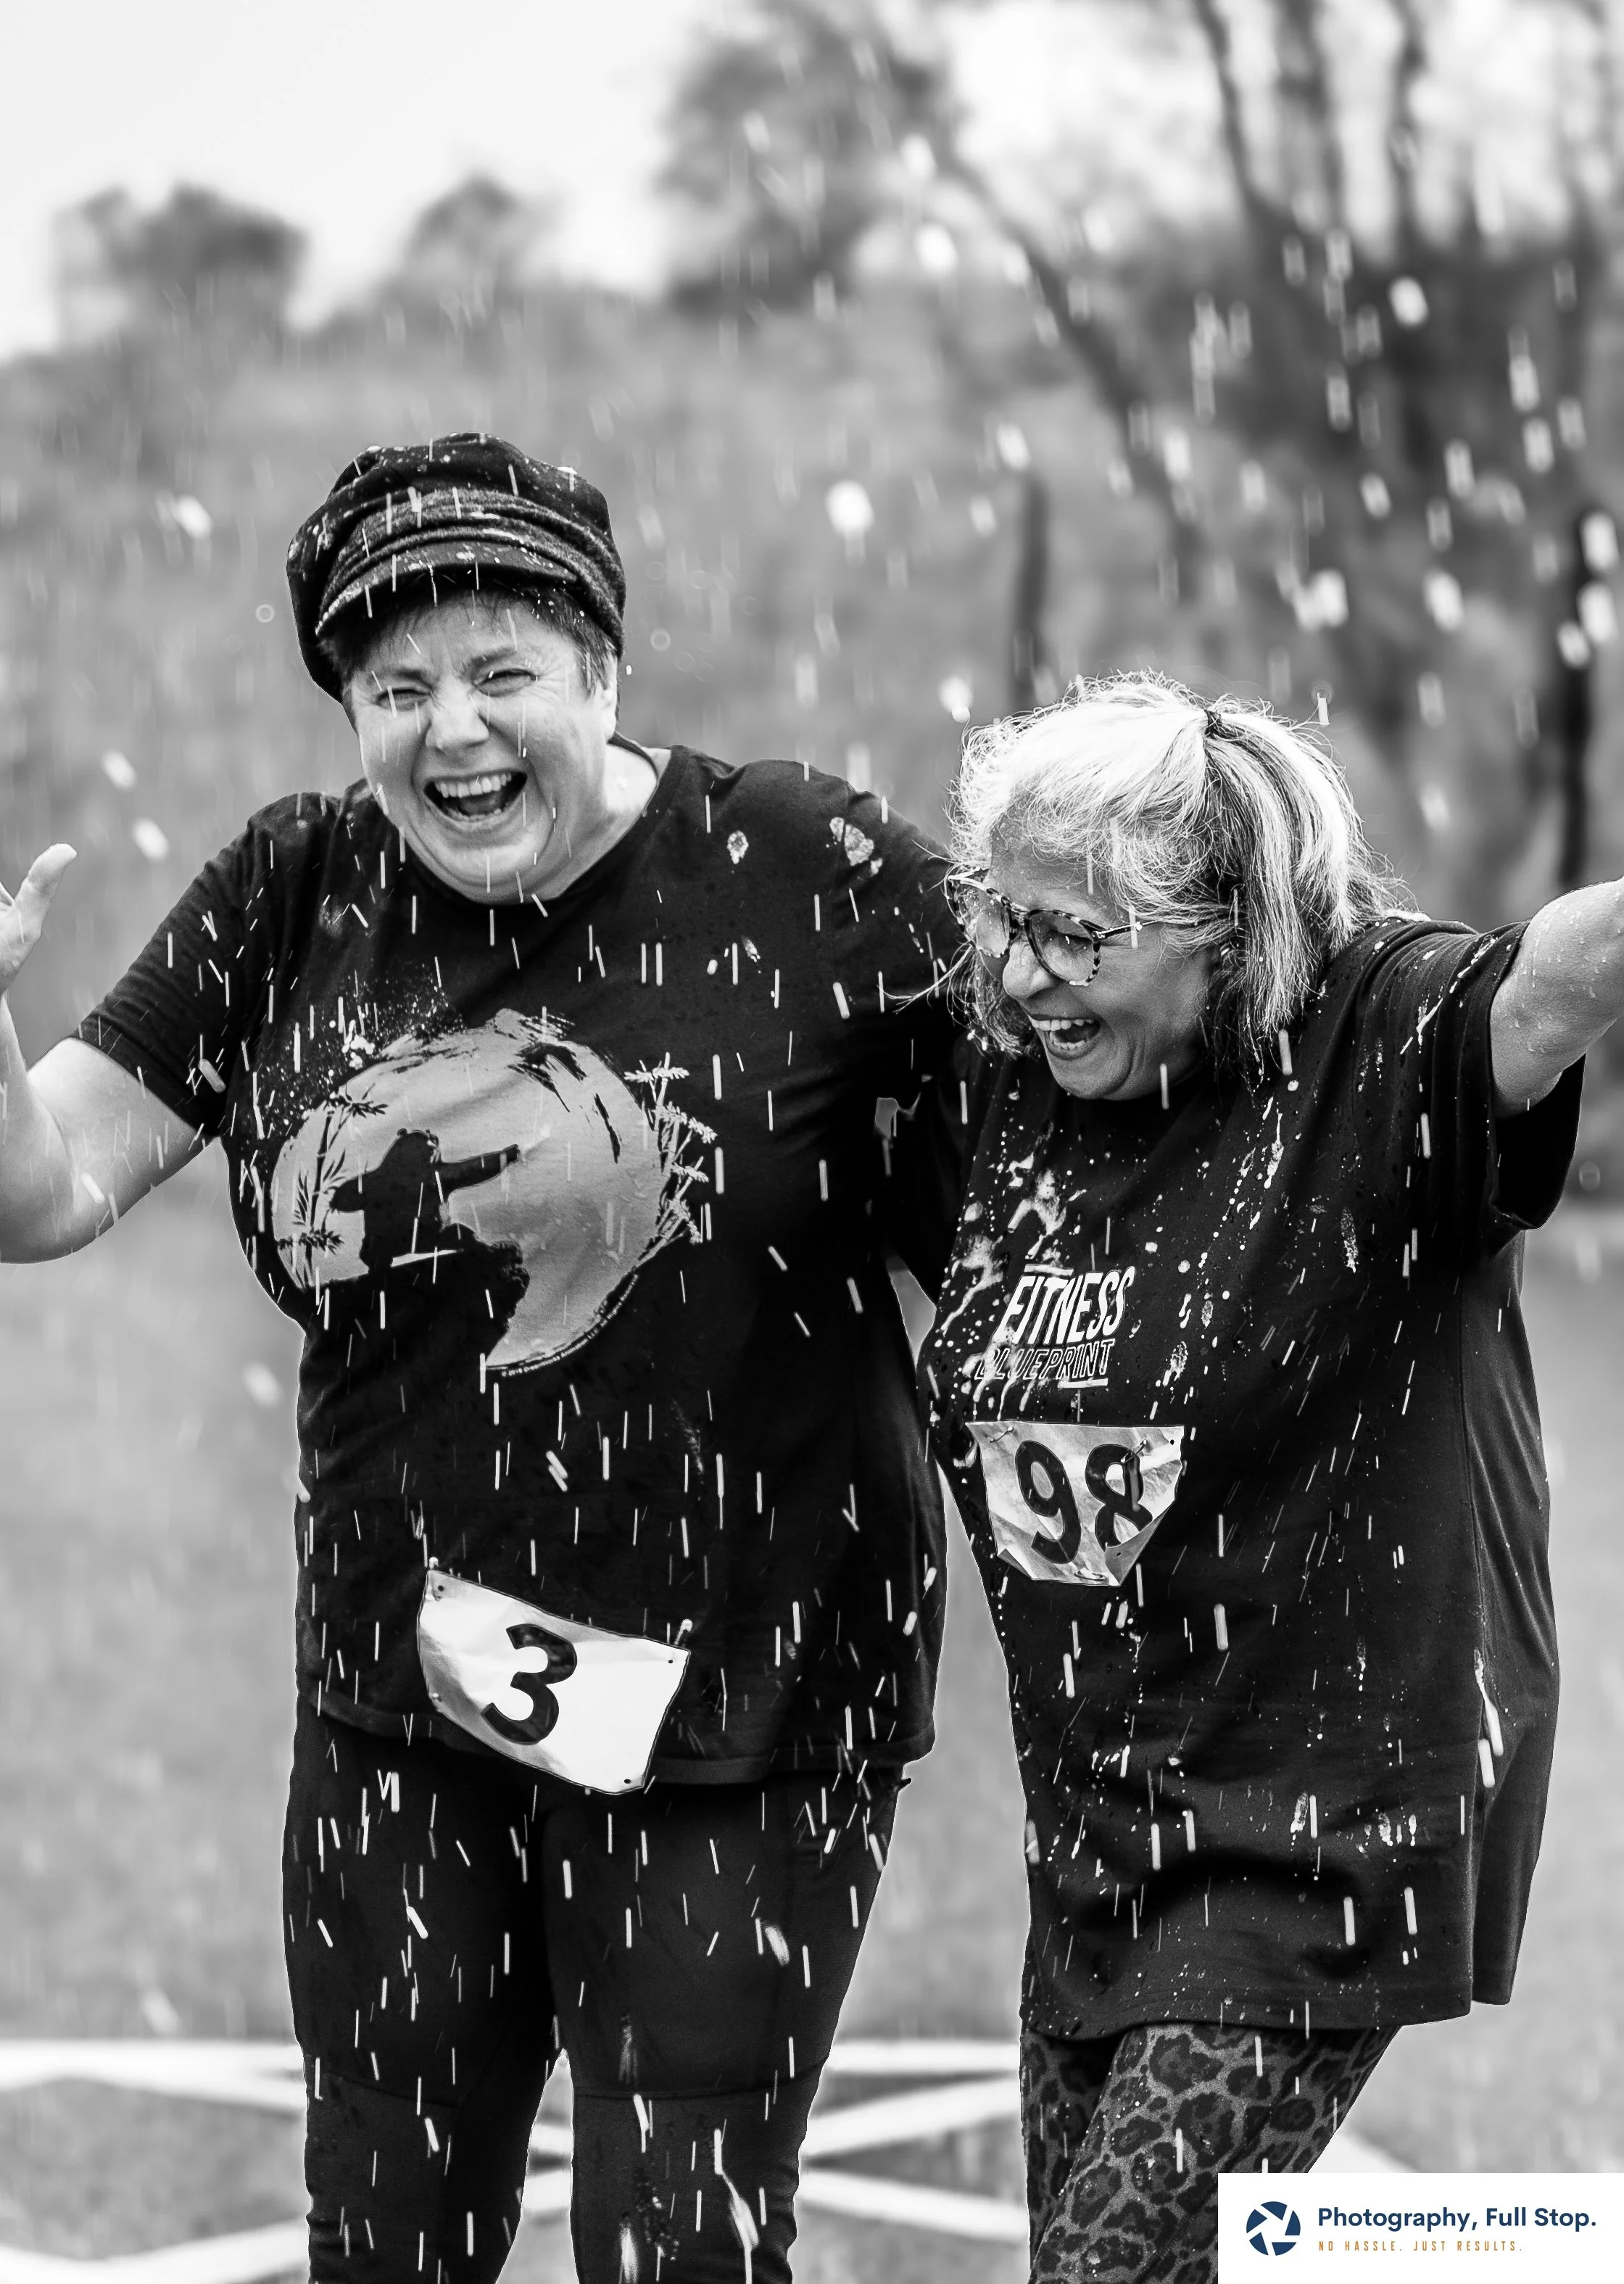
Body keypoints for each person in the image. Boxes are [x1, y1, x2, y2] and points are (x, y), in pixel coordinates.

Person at [0, 434, 961, 2283]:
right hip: (401, 1699)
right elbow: (43, 1192)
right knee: (386, 2233)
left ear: (604, 671)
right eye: (397, 687)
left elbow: (1034, 1198)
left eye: (505, 672)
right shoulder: (294, 890)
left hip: (749, 1705)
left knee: (680, 2242)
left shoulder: (808, 871)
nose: (454, 729)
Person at [915, 671, 1604, 2283]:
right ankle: (1509, 2257)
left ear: (1224, 927)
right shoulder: (1020, 1075)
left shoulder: (1378, 1044)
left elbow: (1567, 975)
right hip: (1100, 1811)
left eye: (1075, 935)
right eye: (999, 921)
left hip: (1319, 1814)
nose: (1019, 977)